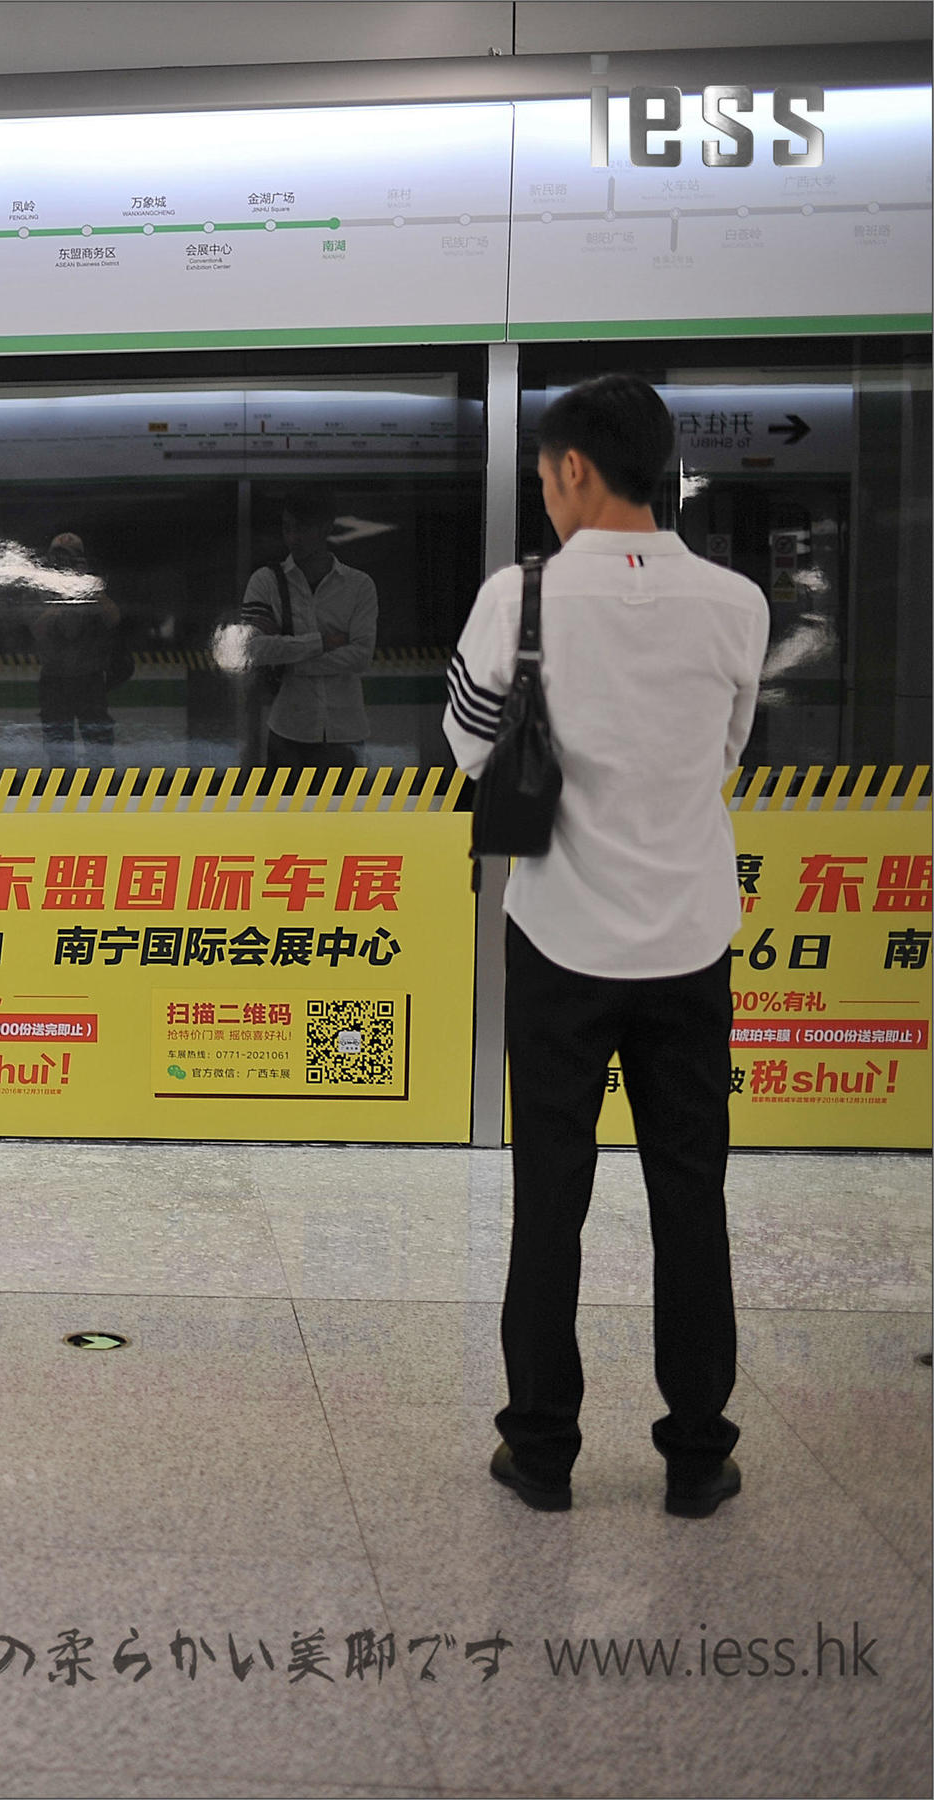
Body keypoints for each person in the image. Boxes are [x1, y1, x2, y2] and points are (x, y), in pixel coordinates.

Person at [444, 373, 767, 1519]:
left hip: (561, 940)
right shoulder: (736, 603)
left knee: (551, 1195)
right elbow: (725, 750)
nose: (547, 495)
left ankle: (541, 1451)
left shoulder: (518, 598)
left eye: (545, 477)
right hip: (689, 941)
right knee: (691, 1193)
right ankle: (697, 1455)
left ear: (575, 469)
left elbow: (469, 748)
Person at [239, 491, 377, 768]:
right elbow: (253, 650)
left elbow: (361, 656)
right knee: (286, 798)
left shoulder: (359, 586)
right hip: (288, 731)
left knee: (343, 798)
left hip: (344, 732)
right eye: (287, 528)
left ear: (325, 528)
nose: (293, 538)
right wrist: (323, 642)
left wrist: (289, 658)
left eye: (302, 528)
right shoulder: (266, 582)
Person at [26, 532, 123, 760]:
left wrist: (89, 587)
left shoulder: (93, 585)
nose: (65, 564)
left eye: (71, 558)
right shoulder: (40, 588)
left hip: (89, 676)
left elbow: (114, 619)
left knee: (99, 748)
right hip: (55, 678)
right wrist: (61, 598)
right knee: (58, 750)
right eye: (59, 558)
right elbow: (36, 630)